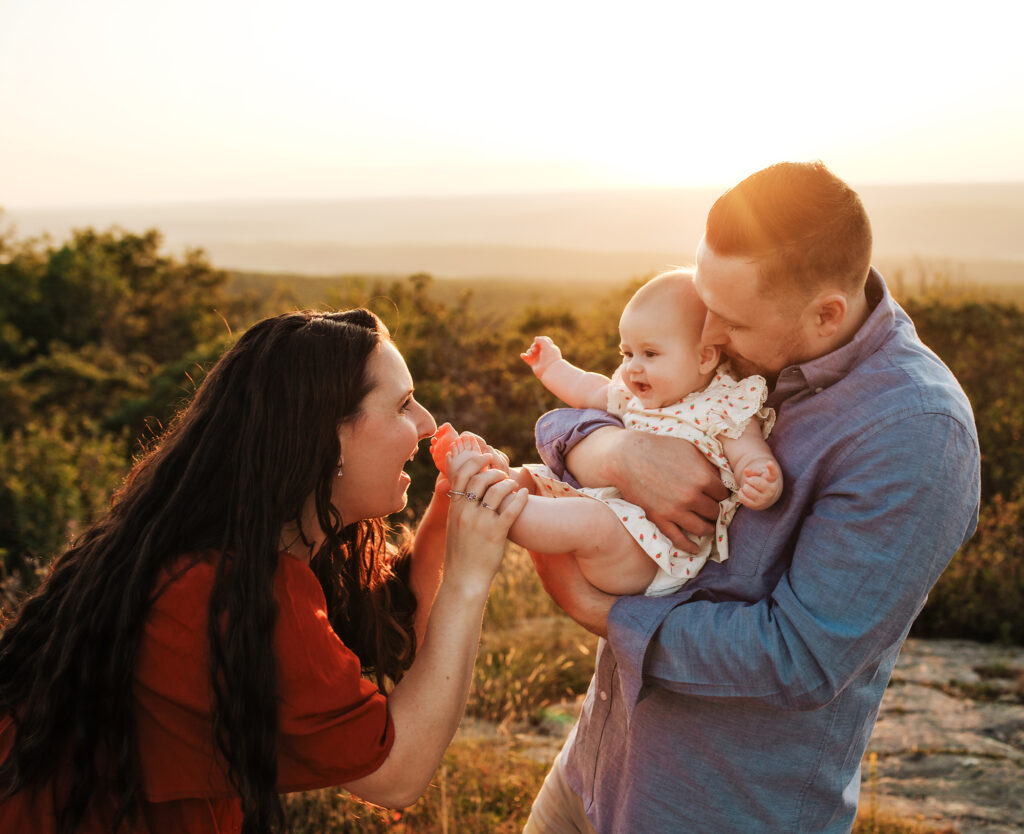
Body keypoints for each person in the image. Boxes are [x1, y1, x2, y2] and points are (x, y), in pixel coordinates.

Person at [522, 161, 981, 833]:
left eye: (727, 322)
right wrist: (618, 454)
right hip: (592, 773)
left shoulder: (915, 435)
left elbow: (801, 657)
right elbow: (589, 406)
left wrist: (610, 616)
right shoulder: (744, 339)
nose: (705, 337)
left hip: (715, 811)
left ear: (825, 314)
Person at [0, 308, 528, 833]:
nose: (428, 423)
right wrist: (467, 577)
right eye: (403, 404)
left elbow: (397, 634)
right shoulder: (224, 592)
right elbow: (394, 774)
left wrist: (442, 519)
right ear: (325, 437)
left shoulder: (239, 546)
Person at [438, 270, 780, 597]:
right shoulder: (637, 393)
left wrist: (761, 476)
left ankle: (495, 503)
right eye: (627, 353)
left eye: (650, 353)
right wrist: (553, 367)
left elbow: (748, 450)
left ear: (705, 357)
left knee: (590, 521)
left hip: (651, 551)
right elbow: (590, 389)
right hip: (608, 506)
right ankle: (491, 476)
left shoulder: (723, 404)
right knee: (536, 475)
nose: (632, 367)